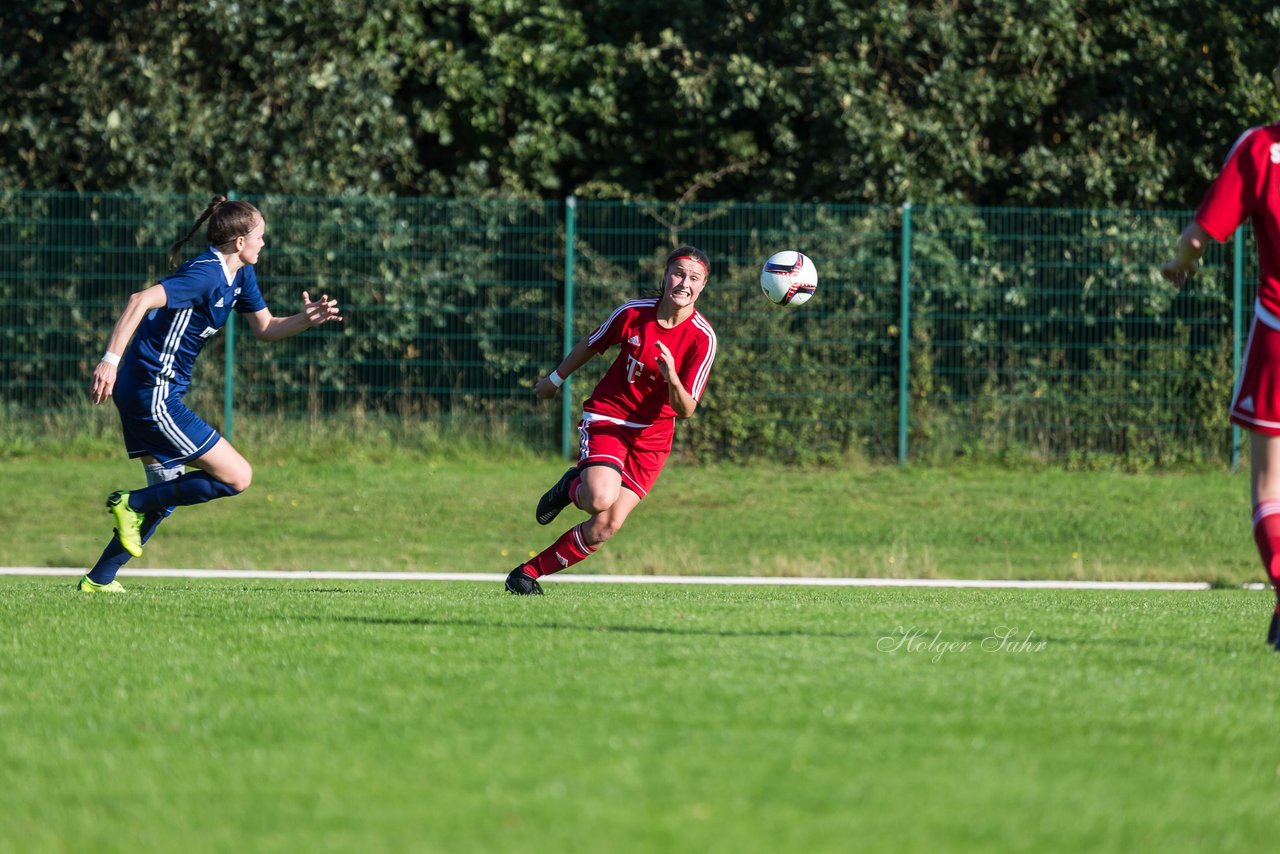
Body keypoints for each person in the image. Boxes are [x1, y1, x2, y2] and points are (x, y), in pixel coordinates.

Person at [80, 195, 342, 592]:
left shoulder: (241, 276)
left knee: (167, 491)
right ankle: (129, 503)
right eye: (260, 236)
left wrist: (305, 320)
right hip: (153, 391)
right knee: (237, 476)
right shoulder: (205, 274)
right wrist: (109, 360)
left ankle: (99, 579)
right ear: (239, 241)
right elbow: (140, 300)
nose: (264, 243)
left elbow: (266, 327)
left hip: (145, 388)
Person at [504, 245, 718, 594]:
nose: (684, 283)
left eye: (694, 278)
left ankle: (524, 575)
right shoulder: (633, 313)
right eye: (678, 273)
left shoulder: (702, 338)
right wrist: (554, 381)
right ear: (665, 275)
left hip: (653, 437)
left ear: (703, 286)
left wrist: (672, 377)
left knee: (606, 525)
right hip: (610, 418)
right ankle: (572, 486)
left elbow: (687, 408)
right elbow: (591, 344)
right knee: (600, 498)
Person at [1161, 65, 1280, 648]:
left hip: (1277, 335)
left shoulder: (1261, 148)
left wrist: (1179, 266)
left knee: (1268, 486)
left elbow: (1200, 234)